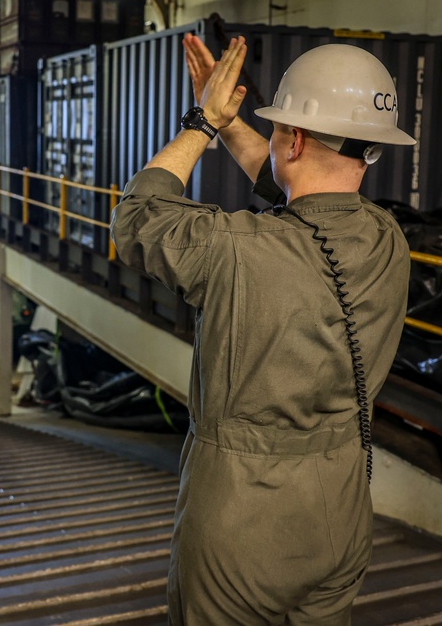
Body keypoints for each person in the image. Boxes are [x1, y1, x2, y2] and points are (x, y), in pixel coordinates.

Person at [110, 35, 414, 624]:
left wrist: (202, 122)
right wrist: (234, 128)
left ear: (294, 138)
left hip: (242, 521)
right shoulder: (386, 238)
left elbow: (138, 217)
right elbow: (303, 189)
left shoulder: (235, 250)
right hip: (342, 513)